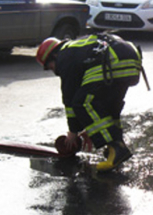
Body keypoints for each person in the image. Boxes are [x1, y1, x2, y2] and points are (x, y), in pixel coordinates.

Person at [36, 33, 144, 171]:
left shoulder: (64, 57)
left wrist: (73, 132)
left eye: (50, 67)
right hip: (131, 61)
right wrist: (90, 126)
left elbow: (70, 97)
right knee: (109, 105)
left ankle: (116, 148)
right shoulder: (76, 49)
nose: (53, 71)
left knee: (82, 103)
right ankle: (116, 147)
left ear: (54, 56)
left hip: (111, 61)